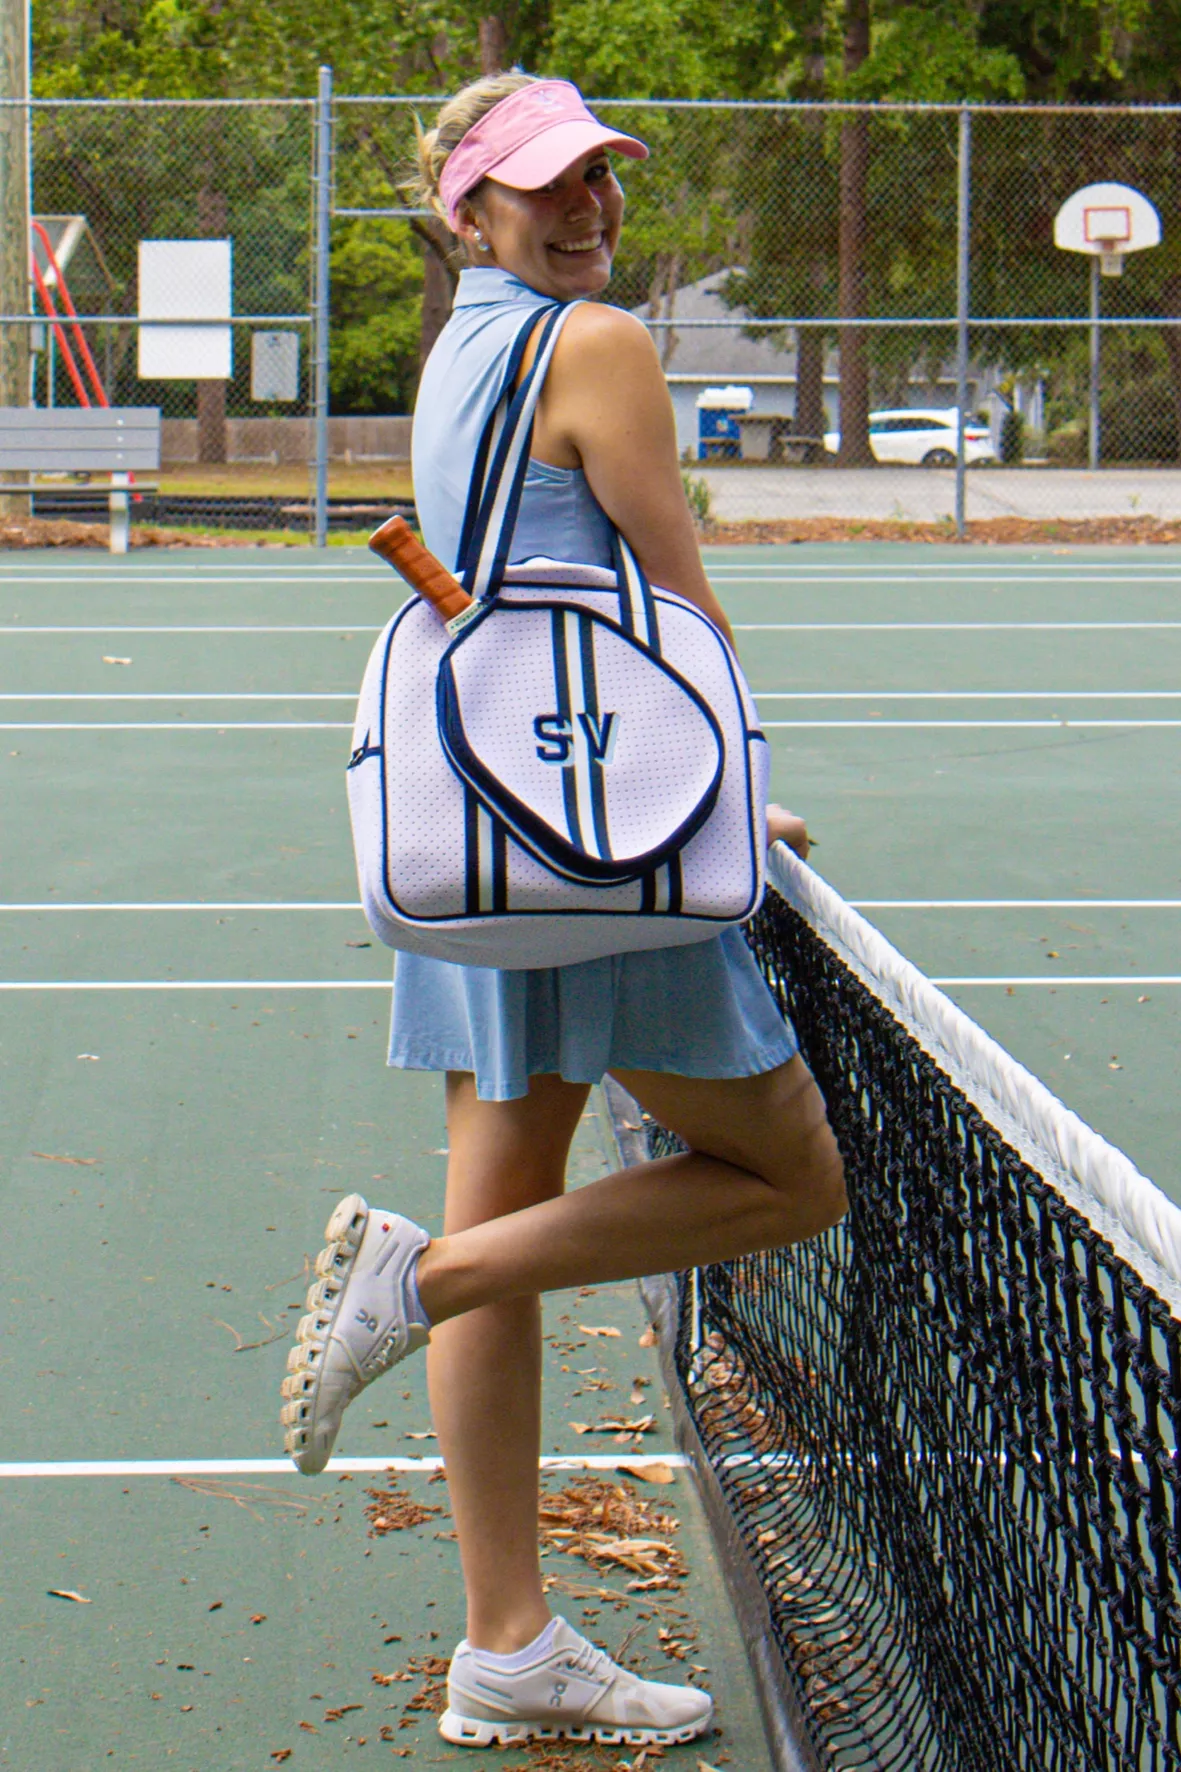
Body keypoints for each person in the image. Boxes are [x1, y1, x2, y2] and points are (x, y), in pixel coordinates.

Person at [281, 71, 846, 1752]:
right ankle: (424, 1277)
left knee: (515, 1195)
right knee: (787, 1178)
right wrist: (730, 790)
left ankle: (507, 1647)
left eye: (600, 177)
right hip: (599, 840)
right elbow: (674, 596)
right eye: (547, 187)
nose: (589, 206)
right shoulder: (597, 348)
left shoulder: (461, 345)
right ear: (470, 211)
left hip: (486, 836)